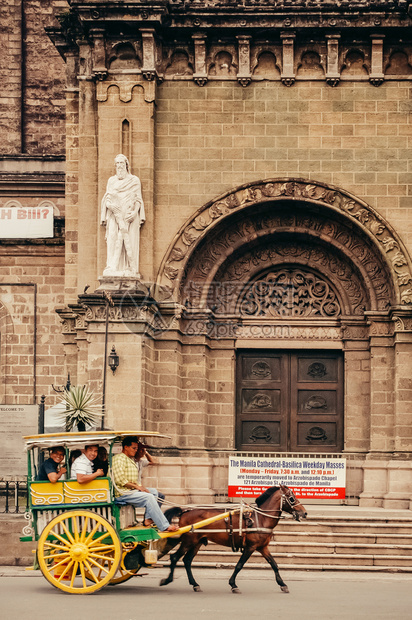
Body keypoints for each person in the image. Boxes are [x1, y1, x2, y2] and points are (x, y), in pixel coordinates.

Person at [112, 436, 178, 532]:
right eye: (134, 448)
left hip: (130, 490)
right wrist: (137, 487)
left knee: (154, 492)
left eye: (136, 449)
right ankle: (164, 526)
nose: (136, 451)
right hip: (122, 493)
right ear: (126, 447)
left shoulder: (130, 459)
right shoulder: (118, 459)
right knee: (149, 497)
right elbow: (120, 480)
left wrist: (140, 487)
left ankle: (148, 519)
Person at [101, 153, 145, 277]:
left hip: (129, 216)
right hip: (114, 215)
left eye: (121, 163)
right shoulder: (111, 181)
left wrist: (135, 212)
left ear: (126, 165)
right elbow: (107, 198)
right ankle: (112, 265)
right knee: (113, 237)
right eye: (117, 164)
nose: (119, 166)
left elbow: (138, 199)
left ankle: (129, 267)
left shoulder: (134, 180)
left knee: (129, 240)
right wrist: (110, 206)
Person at [134, 441, 165, 506]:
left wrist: (146, 453)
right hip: (135, 488)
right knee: (152, 494)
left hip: (139, 488)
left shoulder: (141, 462)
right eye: (141, 450)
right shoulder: (132, 461)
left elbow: (153, 462)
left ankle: (150, 515)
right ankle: (150, 515)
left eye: (144, 450)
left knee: (160, 496)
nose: (143, 452)